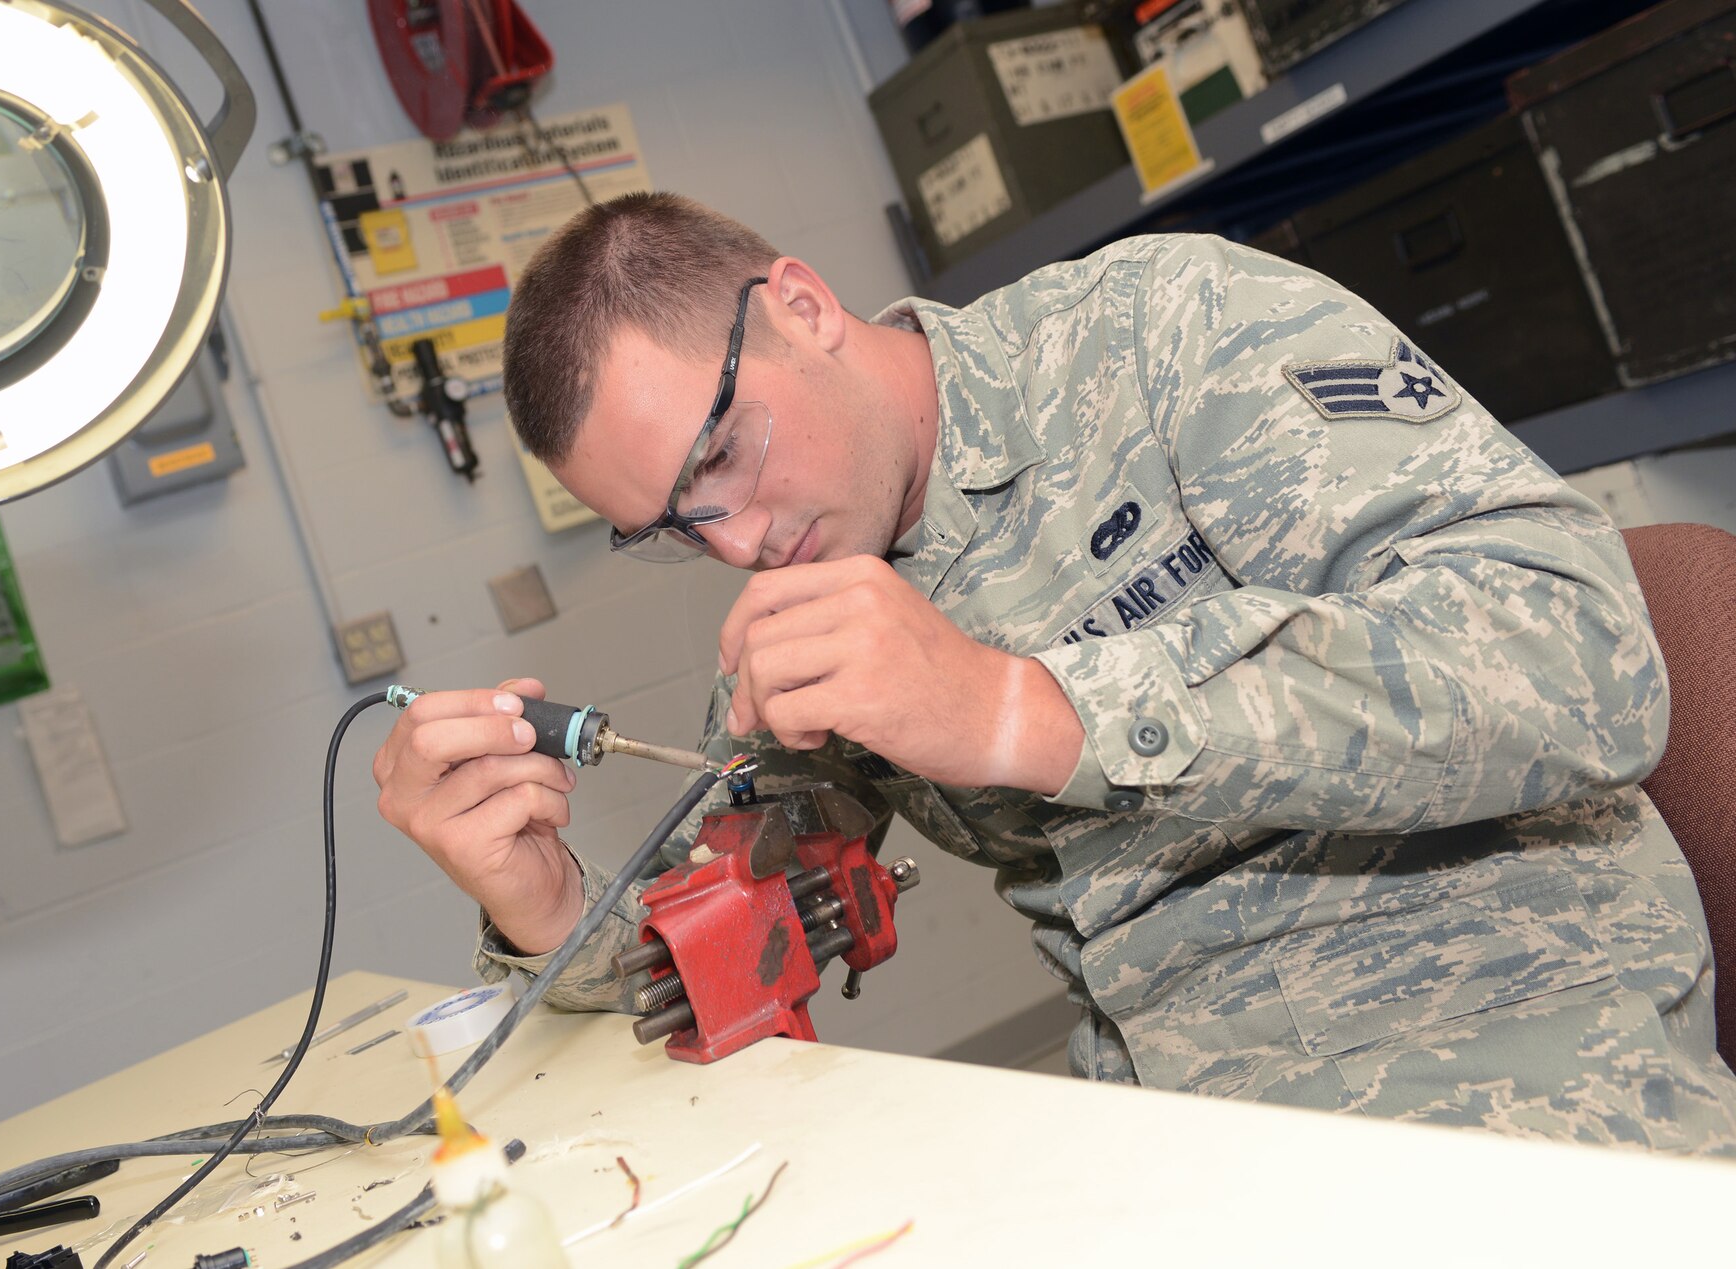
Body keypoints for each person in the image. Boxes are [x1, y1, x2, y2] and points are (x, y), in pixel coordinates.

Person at [372, 191, 1736, 1153]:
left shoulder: (1166, 333)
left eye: (721, 456)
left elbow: (1579, 650)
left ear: (802, 306)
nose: (736, 539)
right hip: (1154, 1118)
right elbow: (744, 936)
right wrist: (548, 907)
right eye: (674, 529)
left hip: (1500, 1051)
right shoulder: (809, 590)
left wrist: (1028, 709)